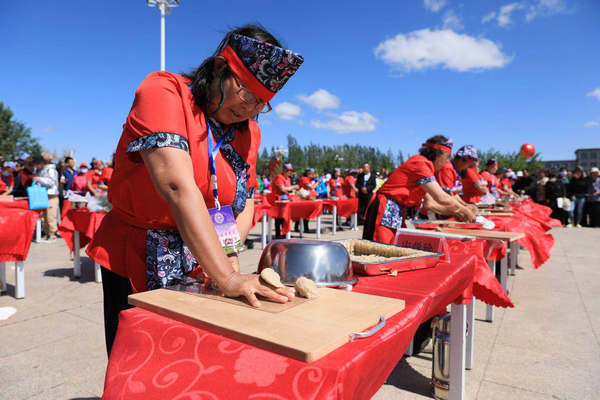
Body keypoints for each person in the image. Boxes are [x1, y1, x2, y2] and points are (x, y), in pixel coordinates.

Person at [86, 25, 301, 356]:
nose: (250, 109)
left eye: (262, 102)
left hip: (203, 259)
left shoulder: (249, 132)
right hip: (138, 254)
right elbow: (176, 186)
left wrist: (227, 263)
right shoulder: (165, 91)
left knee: (195, 361)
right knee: (137, 362)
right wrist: (228, 280)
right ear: (218, 69)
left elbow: (243, 202)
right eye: (246, 93)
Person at [363, 136, 475, 243]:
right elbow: (441, 197)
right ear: (438, 154)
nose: (446, 162)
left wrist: (458, 212)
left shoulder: (425, 168)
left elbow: (429, 203)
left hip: (394, 210)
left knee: (391, 246)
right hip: (383, 208)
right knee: (381, 248)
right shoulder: (420, 163)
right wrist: (464, 210)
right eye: (446, 158)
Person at [32, 154, 61, 240]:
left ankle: (52, 234)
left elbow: (52, 182)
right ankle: (46, 233)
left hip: (51, 195)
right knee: (43, 216)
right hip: (42, 194)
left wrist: (39, 179)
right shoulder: (38, 170)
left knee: (50, 215)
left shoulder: (51, 169)